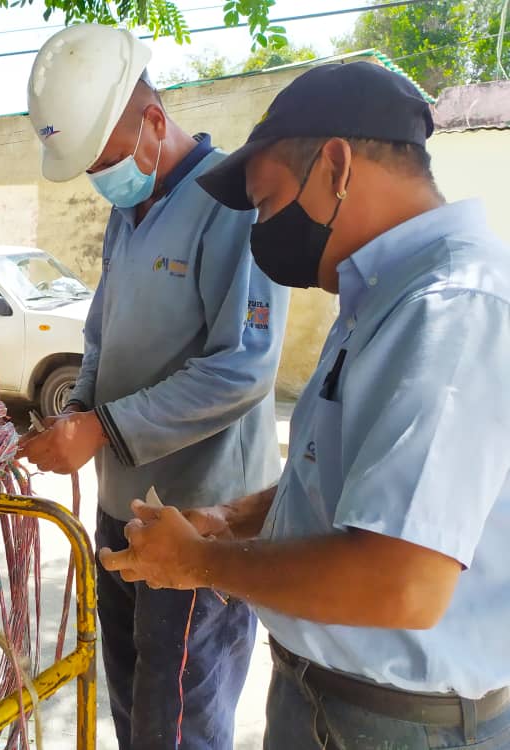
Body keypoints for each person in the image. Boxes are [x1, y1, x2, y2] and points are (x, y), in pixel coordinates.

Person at [100, 61, 510, 749]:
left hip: (397, 724)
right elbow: (341, 484)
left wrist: (197, 563)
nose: (262, 231)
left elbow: (402, 582)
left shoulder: (451, 306)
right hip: (328, 701)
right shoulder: (377, 298)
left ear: (338, 166)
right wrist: (231, 518)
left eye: (267, 204)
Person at [18, 24, 289, 750]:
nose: (101, 180)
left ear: (155, 123)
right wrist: (77, 410)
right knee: (138, 709)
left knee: (182, 726)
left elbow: (244, 367)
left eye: (104, 161)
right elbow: (103, 335)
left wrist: (102, 429)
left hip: (202, 520)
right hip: (122, 512)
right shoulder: (126, 213)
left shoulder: (233, 203)